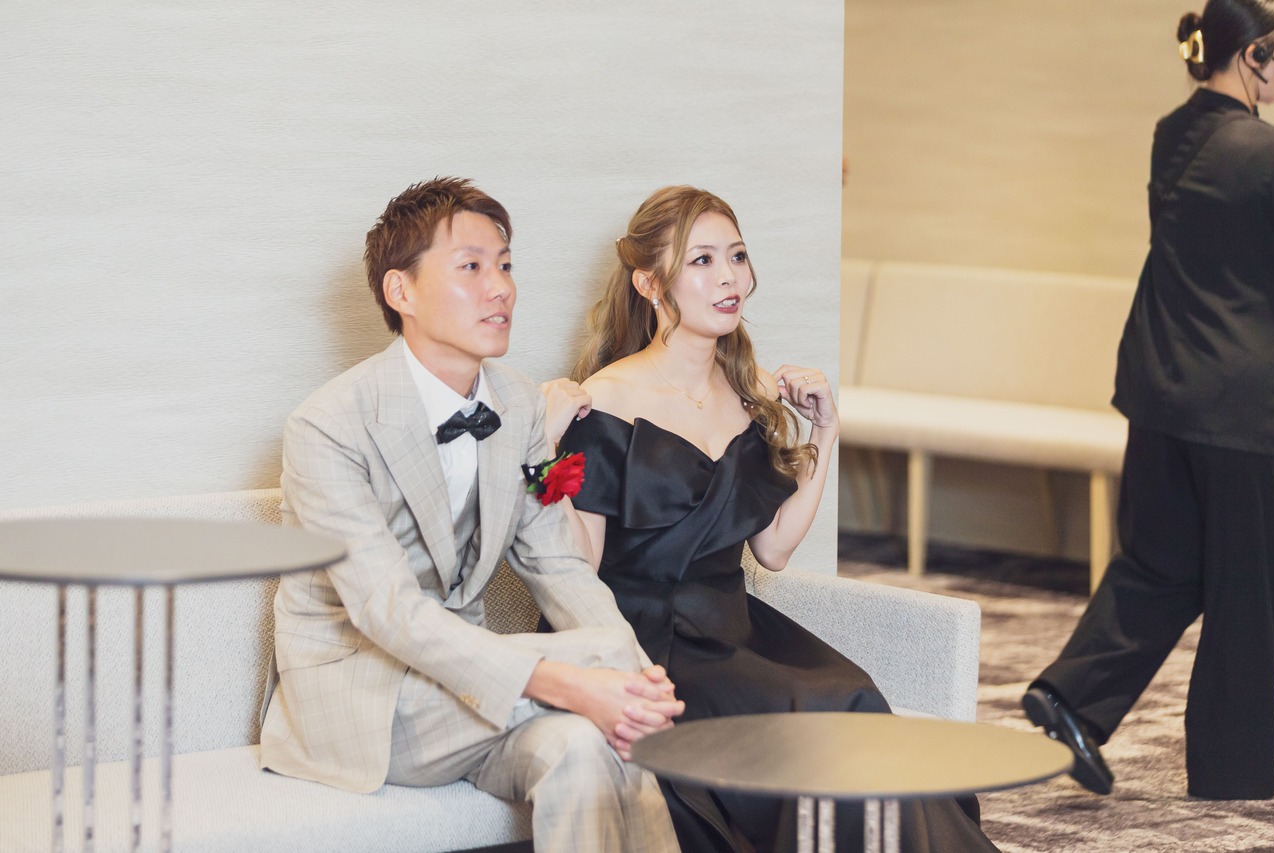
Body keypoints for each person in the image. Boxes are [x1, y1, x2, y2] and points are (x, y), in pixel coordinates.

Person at [541, 185, 998, 852]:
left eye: (737, 255)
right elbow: (578, 566)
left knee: (855, 697)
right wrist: (544, 454)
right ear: (649, 282)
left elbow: (774, 548)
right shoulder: (606, 399)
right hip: (650, 644)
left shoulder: (747, 389)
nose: (729, 277)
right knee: (817, 715)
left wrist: (826, 433)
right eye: (702, 260)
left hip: (734, 627)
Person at [258, 177, 683, 852]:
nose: (501, 288)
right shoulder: (327, 426)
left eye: (505, 266)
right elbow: (387, 611)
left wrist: (629, 675)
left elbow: (560, 563)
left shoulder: (521, 406)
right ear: (401, 292)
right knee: (607, 688)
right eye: (472, 267)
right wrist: (579, 678)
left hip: (471, 691)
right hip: (364, 697)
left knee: (583, 746)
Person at [1023, 0, 1274, 802]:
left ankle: (1071, 696)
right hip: (1241, 406)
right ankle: (1235, 772)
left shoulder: (1175, 133)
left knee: (1159, 563)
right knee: (1246, 590)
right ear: (1252, 57)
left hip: (1161, 386)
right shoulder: (1264, 153)